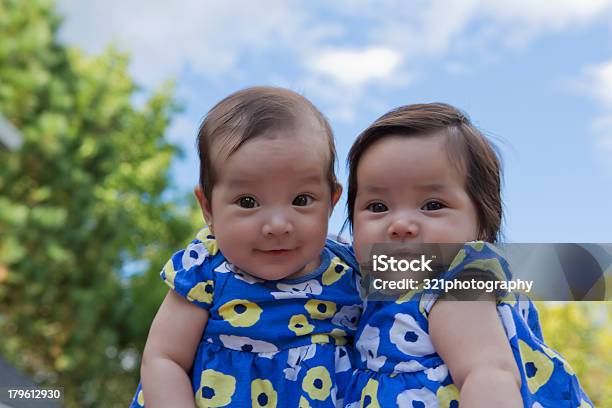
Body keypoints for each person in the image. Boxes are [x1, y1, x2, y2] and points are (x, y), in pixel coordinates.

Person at [342, 103, 592, 407]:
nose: (401, 225)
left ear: (483, 226)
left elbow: (488, 373)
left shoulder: (455, 287)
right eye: (378, 207)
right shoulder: (377, 294)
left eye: (432, 205)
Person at [129, 87, 362, 408]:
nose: (278, 224)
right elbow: (164, 358)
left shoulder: (352, 267)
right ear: (208, 208)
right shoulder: (207, 269)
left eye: (301, 200)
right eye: (248, 202)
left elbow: (436, 278)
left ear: (332, 202)